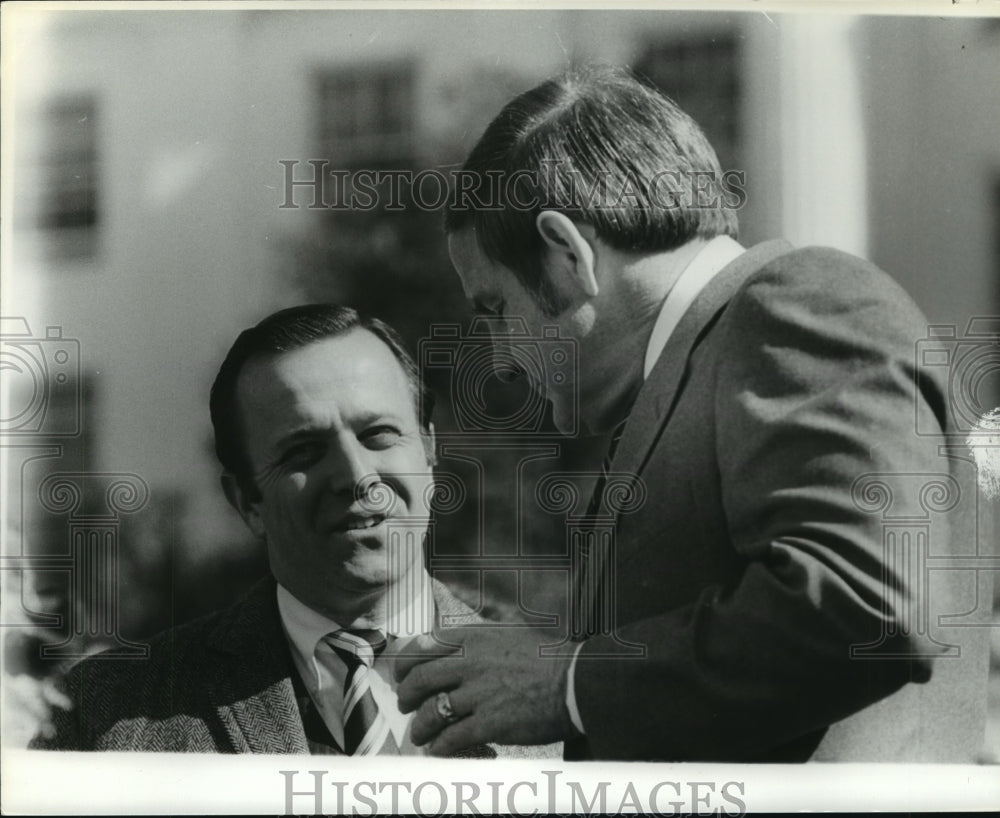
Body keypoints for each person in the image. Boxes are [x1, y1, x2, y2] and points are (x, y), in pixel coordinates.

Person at [392, 66, 991, 761]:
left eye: (495, 308)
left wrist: (567, 682)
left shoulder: (800, 302)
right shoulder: (713, 356)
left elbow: (865, 608)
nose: (496, 359)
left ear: (567, 255)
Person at [30, 304, 554, 757]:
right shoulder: (107, 715)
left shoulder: (562, 688)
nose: (356, 476)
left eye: (378, 434)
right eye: (304, 452)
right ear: (247, 502)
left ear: (431, 452)